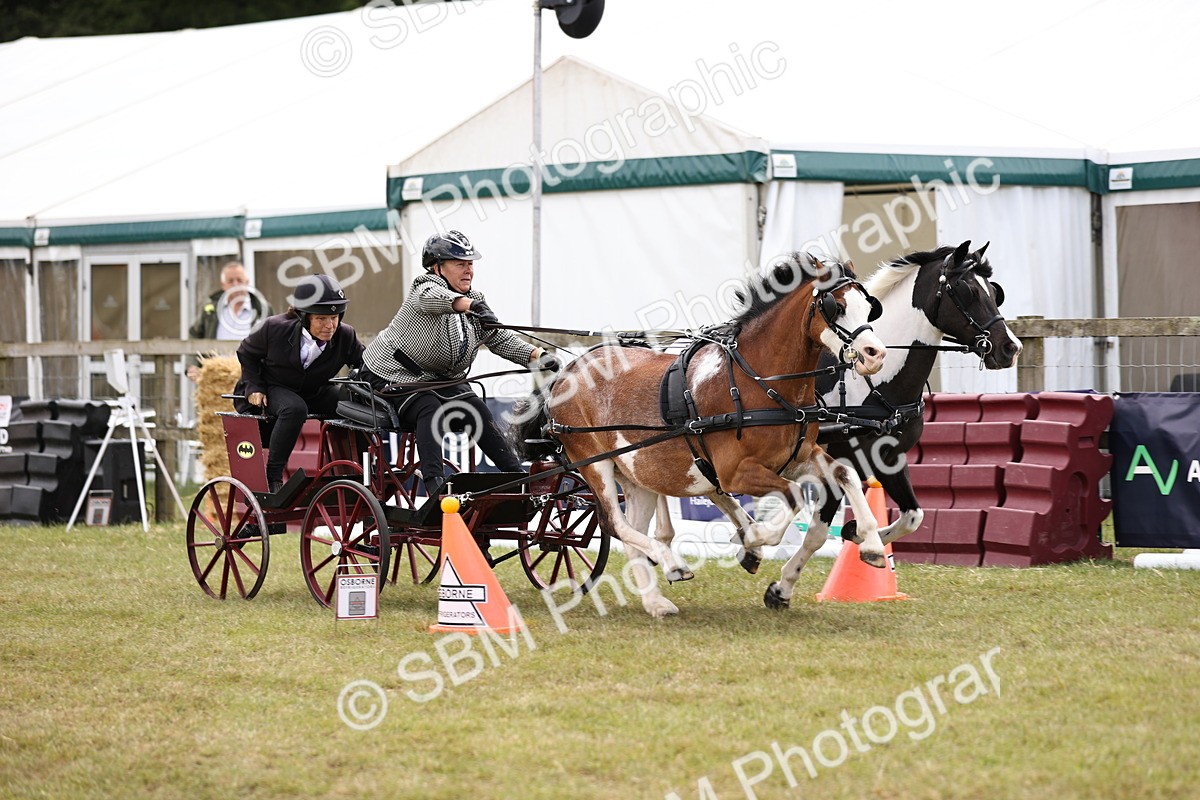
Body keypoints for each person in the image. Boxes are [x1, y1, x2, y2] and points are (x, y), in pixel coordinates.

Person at [358, 230, 560, 499]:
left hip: (435, 378)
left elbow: (498, 338)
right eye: (459, 264)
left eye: (470, 264)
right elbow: (435, 298)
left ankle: (517, 480)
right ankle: (435, 485)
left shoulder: (473, 300)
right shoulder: (424, 288)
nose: (468, 270)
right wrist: (471, 305)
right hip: (390, 375)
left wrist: (537, 355)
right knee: (428, 406)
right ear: (437, 268)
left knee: (476, 408)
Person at [233, 274, 364, 493]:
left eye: (334, 317)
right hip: (274, 386)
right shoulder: (273, 327)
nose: (330, 325)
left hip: (314, 391)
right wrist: (254, 386)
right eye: (321, 319)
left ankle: (357, 469)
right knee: (294, 408)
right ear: (304, 316)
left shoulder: (346, 334)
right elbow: (246, 353)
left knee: (351, 401)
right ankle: (273, 477)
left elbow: (364, 363)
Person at [187, 261, 273, 381]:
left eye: (239, 280)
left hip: (251, 377)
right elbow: (194, 334)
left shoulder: (263, 309)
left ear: (247, 282)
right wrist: (192, 365)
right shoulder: (210, 309)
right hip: (216, 377)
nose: (235, 284)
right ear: (223, 285)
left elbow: (274, 340)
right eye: (231, 281)